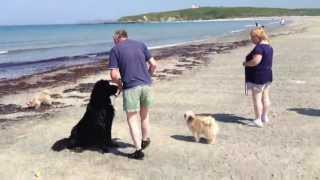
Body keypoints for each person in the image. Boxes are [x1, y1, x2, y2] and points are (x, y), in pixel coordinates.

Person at [108, 30, 157, 159]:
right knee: (145, 115)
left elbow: (113, 75)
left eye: (114, 40)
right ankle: (145, 139)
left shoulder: (115, 50)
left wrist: (119, 84)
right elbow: (154, 64)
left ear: (117, 38)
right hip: (146, 85)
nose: (113, 42)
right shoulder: (141, 44)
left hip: (131, 87)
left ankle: (138, 150)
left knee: (132, 118)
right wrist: (148, 76)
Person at [243, 27, 273, 128]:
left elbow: (256, 61)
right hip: (267, 75)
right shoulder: (269, 47)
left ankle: (258, 119)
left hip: (258, 77)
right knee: (265, 97)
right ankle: (264, 116)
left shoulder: (259, 48)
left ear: (257, 37)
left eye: (252, 37)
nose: (251, 40)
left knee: (257, 99)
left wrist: (246, 64)